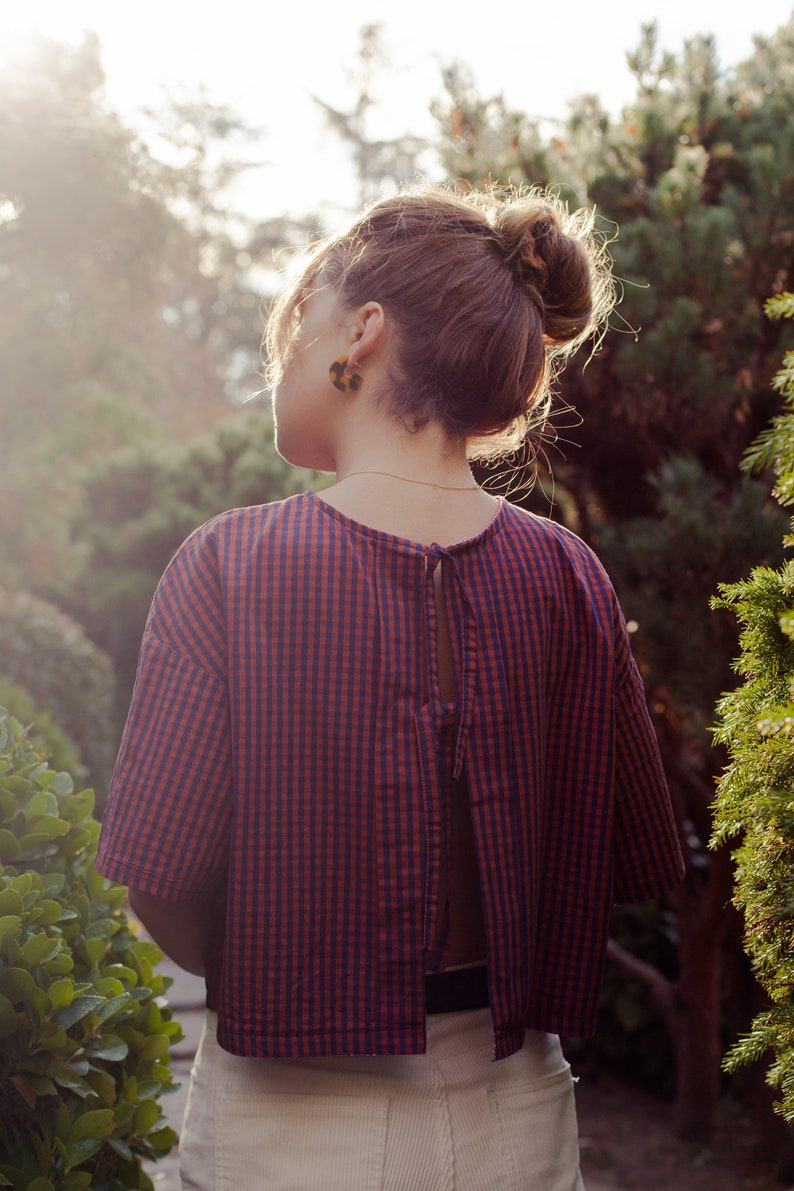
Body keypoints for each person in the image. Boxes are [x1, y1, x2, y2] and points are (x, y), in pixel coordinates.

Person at [96, 182, 684, 1190]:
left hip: (281, 1121)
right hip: (516, 1120)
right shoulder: (566, 576)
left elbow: (160, 882)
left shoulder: (231, 565)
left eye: (295, 319)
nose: (280, 354)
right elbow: (632, 862)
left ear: (360, 334)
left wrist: (281, 963)